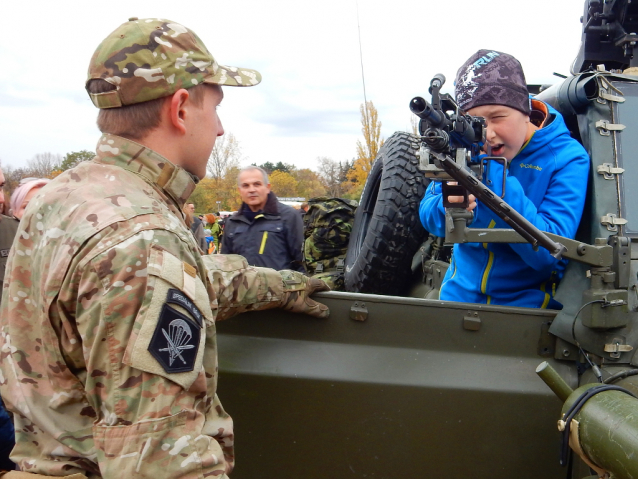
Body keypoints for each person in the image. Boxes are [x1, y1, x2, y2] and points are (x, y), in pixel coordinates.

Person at [0, 18, 329, 478]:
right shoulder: (144, 238)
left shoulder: (65, 196)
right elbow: (159, 461)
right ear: (179, 109)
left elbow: (168, 281)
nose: (218, 129)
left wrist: (277, 285)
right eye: (214, 108)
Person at [420, 50, 589, 308]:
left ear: (525, 110)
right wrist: (447, 208)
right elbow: (427, 213)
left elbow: (548, 252)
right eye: (475, 122)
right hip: (455, 301)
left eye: (498, 117)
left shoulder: (567, 158)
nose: (487, 133)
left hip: (526, 316)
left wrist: (490, 171)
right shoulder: (464, 148)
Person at [222, 166, 305, 272]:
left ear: (267, 187)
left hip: (281, 287)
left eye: (257, 184)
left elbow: (302, 261)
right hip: (244, 288)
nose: (252, 190)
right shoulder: (233, 222)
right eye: (246, 186)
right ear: (240, 190)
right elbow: (225, 265)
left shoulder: (288, 216)